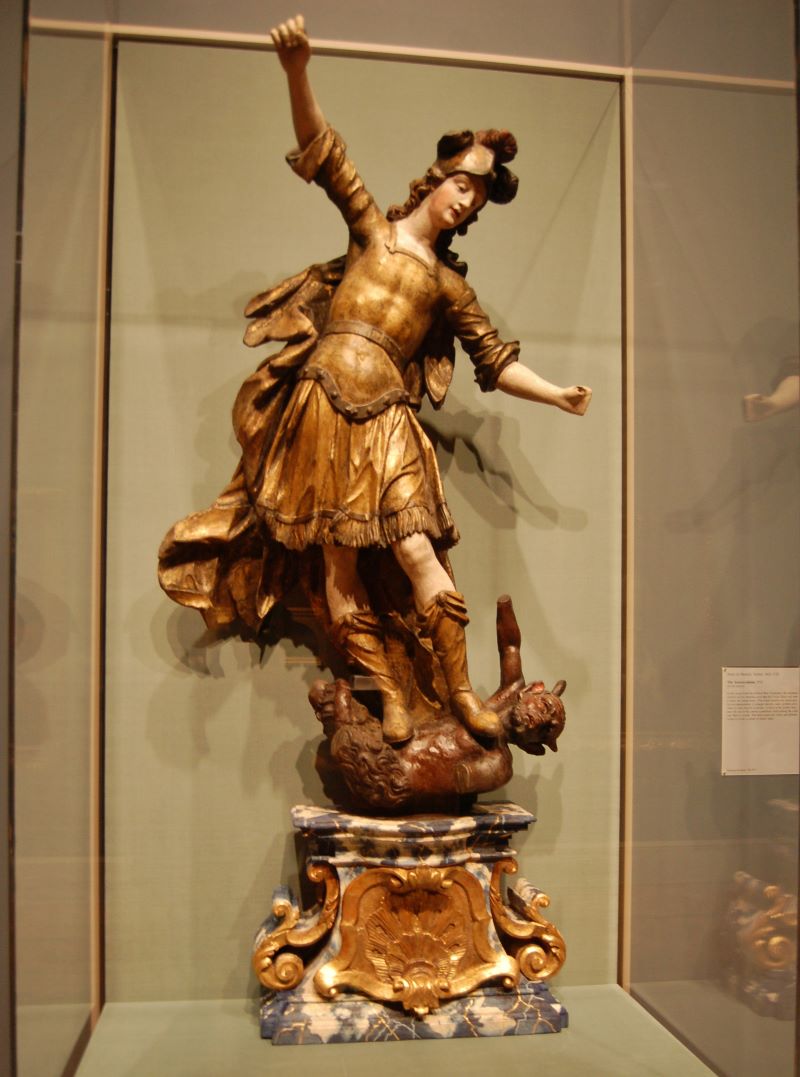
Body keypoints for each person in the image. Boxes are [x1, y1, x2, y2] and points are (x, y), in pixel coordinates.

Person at [159, 15, 591, 746]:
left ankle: (461, 693)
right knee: (340, 563)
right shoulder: (371, 232)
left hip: (388, 414)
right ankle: (389, 693)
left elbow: (494, 361)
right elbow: (323, 151)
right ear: (437, 178)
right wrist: (297, 70)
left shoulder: (448, 288)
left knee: (418, 549)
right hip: (324, 402)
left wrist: (555, 393)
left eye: (477, 199)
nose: (466, 202)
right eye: (462, 185)